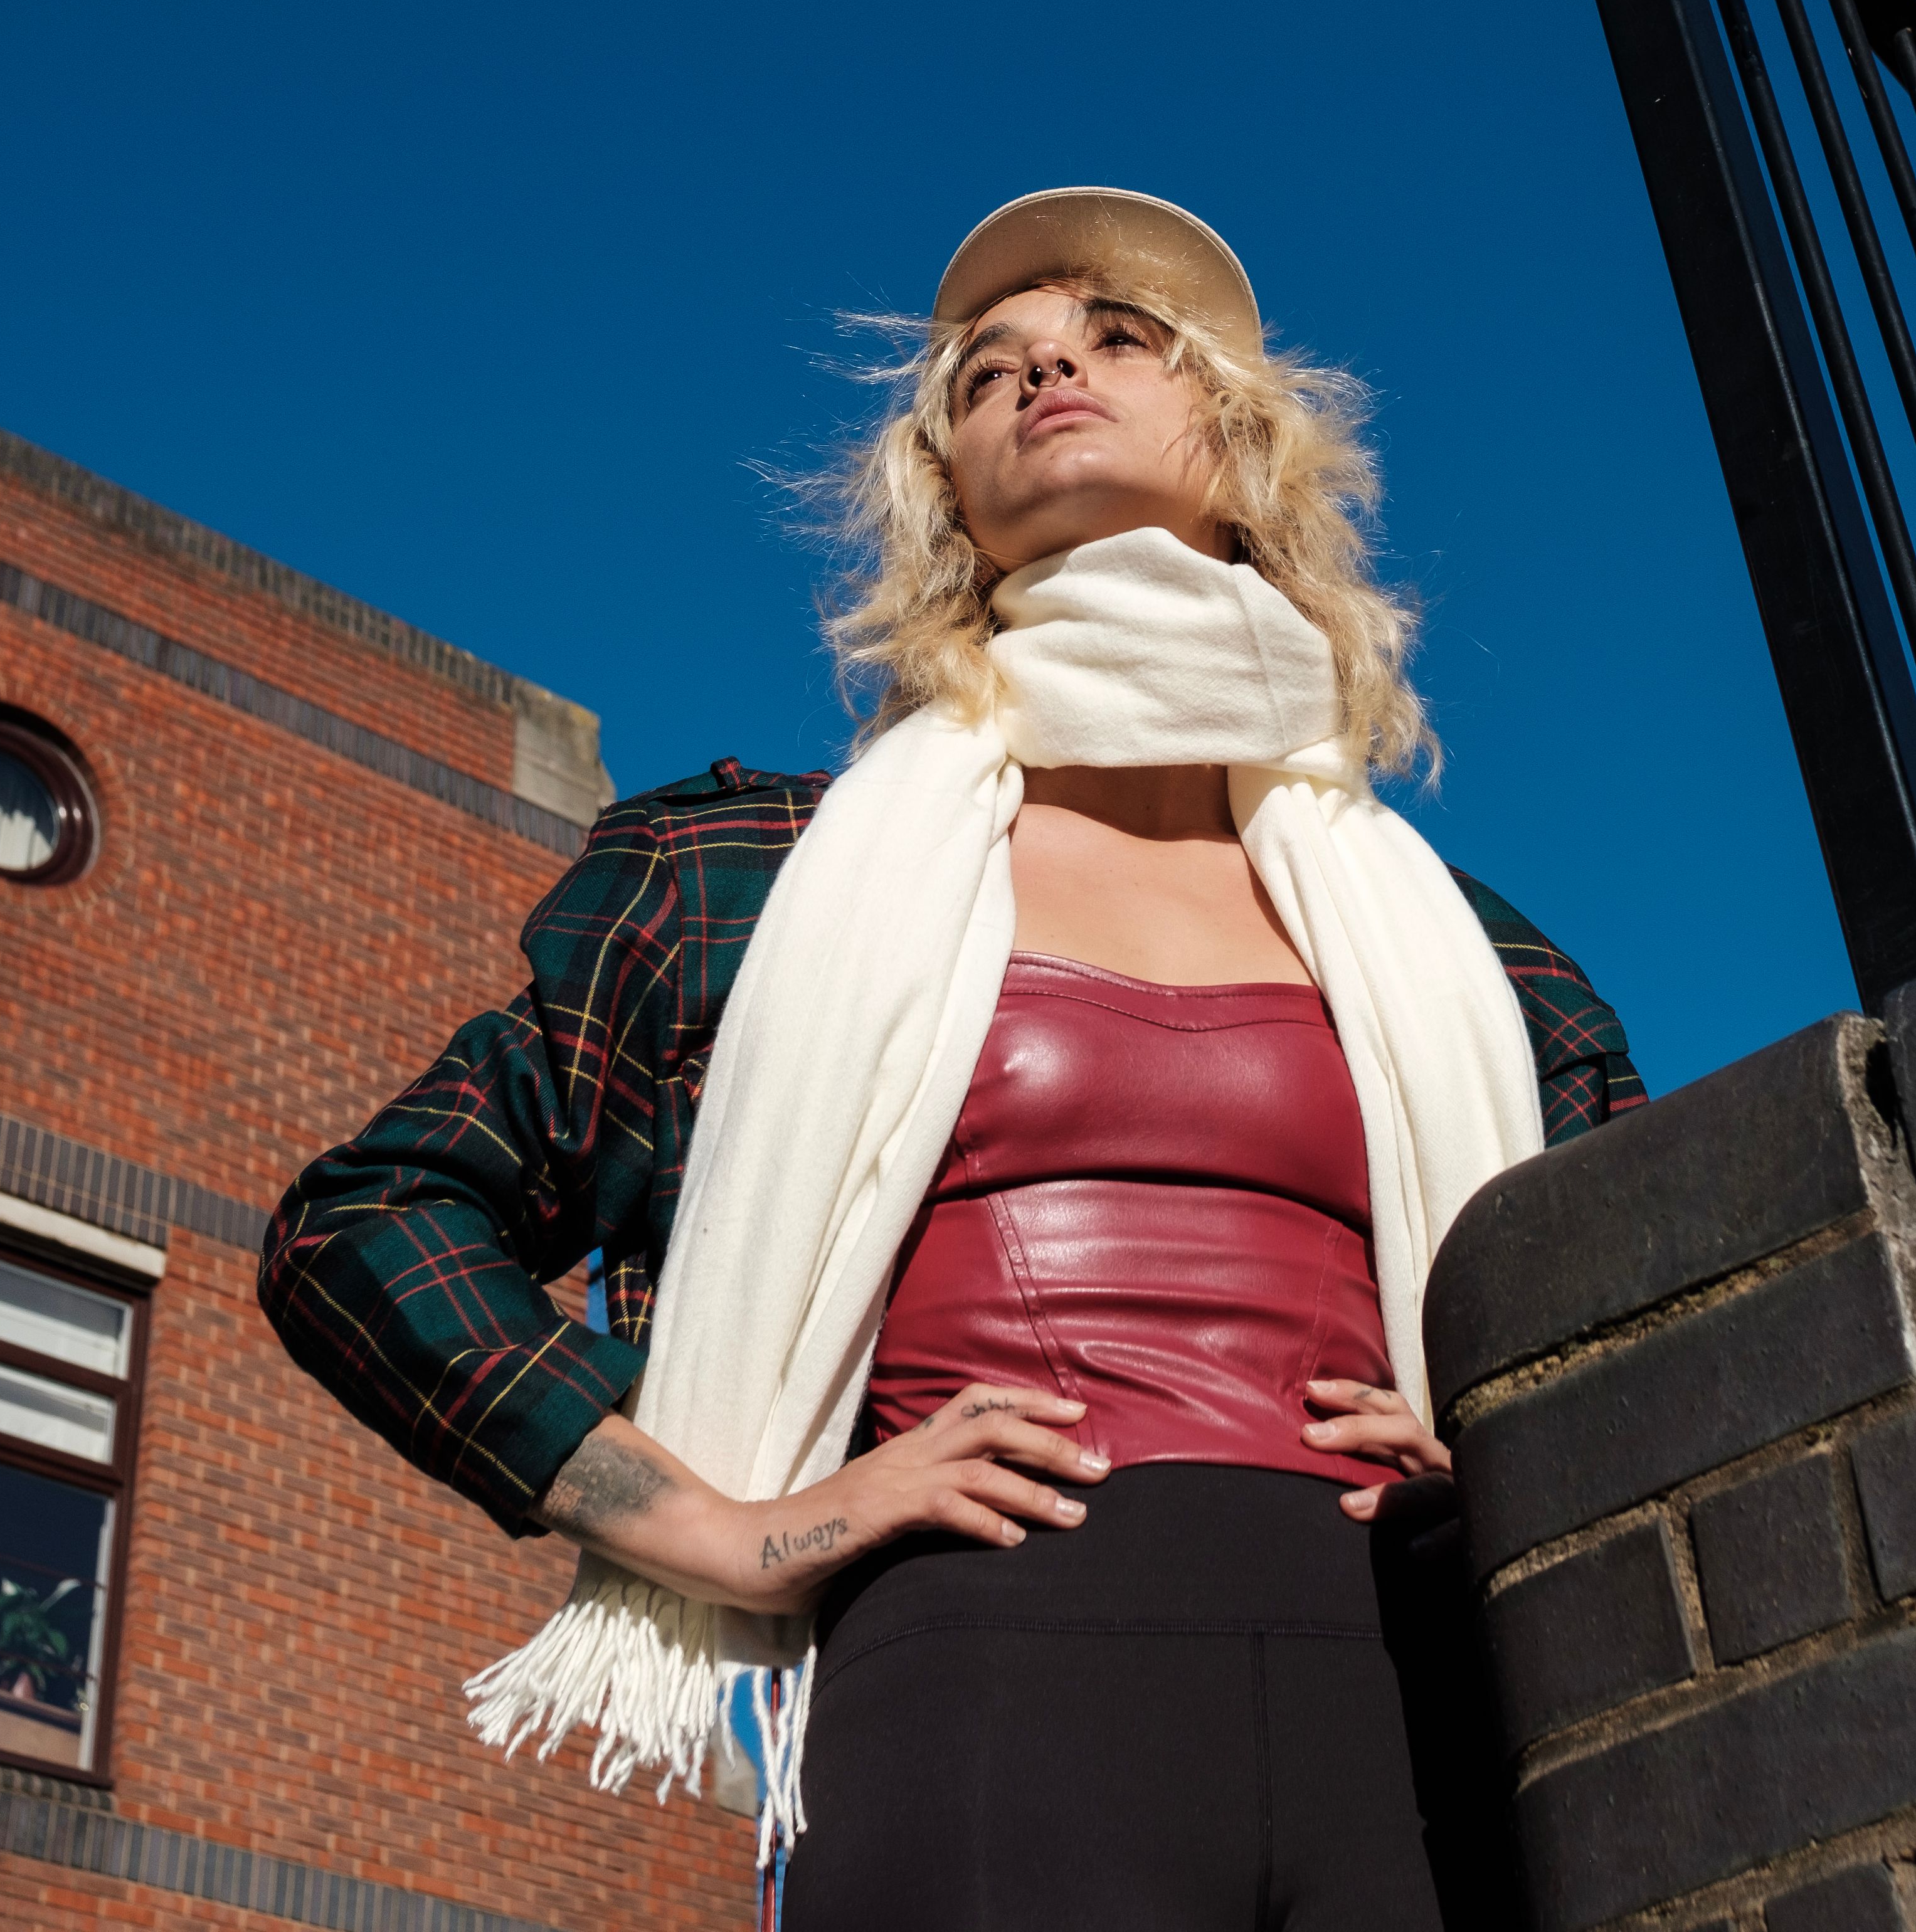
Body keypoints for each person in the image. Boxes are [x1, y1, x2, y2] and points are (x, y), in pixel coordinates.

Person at [260, 187, 1643, 1930]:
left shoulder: (1475, 959)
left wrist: (1503, 1448)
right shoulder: (756, 878)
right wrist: (728, 1528)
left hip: (1414, 1682)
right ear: (951, 498)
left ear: (1241, 446)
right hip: (992, 1670)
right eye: (989, 371)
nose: (1046, 364)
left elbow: (1639, 1330)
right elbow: (364, 1226)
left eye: (1115, 339)